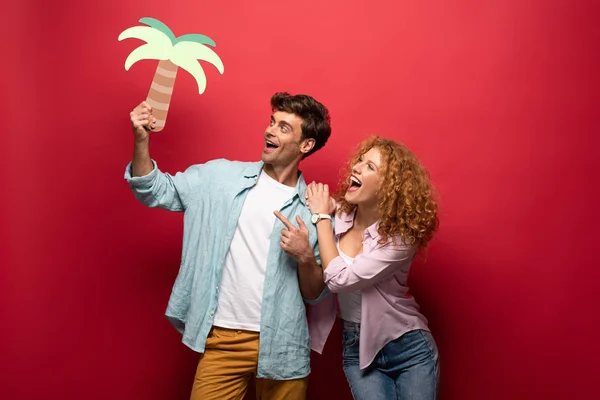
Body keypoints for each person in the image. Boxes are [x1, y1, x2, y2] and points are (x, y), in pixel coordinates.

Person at [123, 92, 332, 400]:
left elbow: (315, 294)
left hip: (283, 342)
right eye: (272, 122)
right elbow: (153, 189)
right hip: (222, 338)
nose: (270, 131)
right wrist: (142, 140)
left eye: (284, 128)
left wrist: (304, 257)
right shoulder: (219, 178)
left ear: (306, 145)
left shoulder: (312, 208)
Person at [277, 136, 440, 399]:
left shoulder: (400, 239)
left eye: (370, 167)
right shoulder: (341, 215)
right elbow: (327, 205)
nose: (357, 167)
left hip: (407, 346)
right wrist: (323, 207)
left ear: (389, 186)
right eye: (360, 161)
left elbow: (339, 280)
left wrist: (320, 217)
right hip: (356, 344)